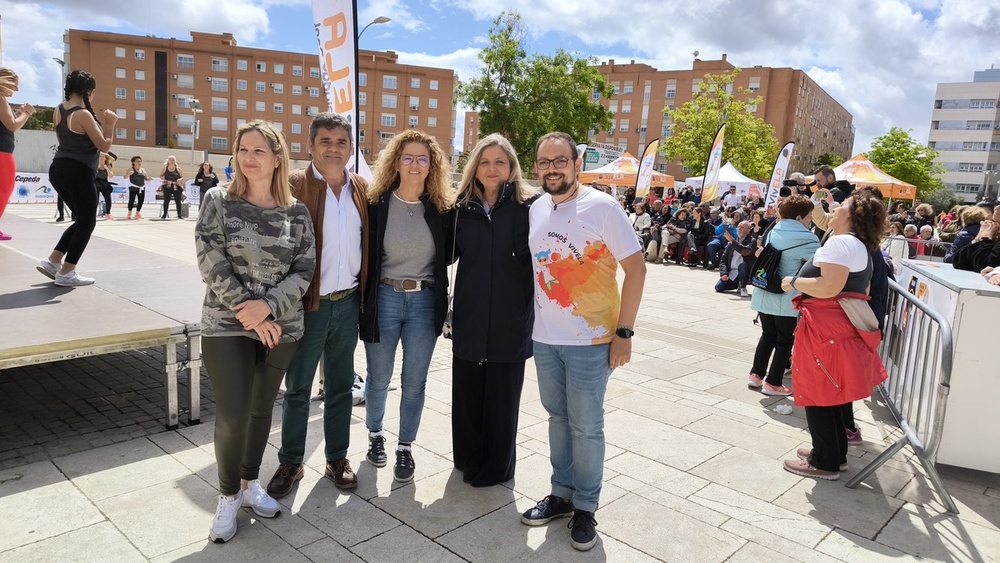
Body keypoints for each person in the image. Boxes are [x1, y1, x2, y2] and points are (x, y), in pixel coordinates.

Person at [520, 132, 646, 552]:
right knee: (557, 419)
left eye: (560, 160)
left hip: (593, 340)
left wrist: (624, 332)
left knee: (587, 426)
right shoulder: (536, 208)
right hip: (545, 338)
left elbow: (637, 270)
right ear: (536, 166)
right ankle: (562, 493)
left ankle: (586, 508)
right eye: (544, 162)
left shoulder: (604, 208)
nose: (552, 168)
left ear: (577, 163)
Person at [196, 119, 316, 543]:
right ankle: (228, 495)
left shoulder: (296, 212)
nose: (248, 157)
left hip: (282, 327)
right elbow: (210, 259)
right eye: (242, 149)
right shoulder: (219, 200)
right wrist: (251, 313)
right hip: (228, 325)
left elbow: (304, 269)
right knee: (232, 414)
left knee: (262, 410)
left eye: (258, 150)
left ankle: (250, 485)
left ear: (277, 158)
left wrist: (268, 308)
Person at [266, 113, 370, 498]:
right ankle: (291, 461)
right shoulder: (294, 185)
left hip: (347, 304)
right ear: (310, 146)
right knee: (298, 389)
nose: (333, 148)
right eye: (325, 141)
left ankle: (336, 457)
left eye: (341, 141)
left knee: (341, 387)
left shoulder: (359, 187)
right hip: (306, 305)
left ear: (351, 147)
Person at [360, 130, 453, 484]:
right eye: (408, 157)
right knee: (379, 377)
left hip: (425, 302)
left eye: (422, 158)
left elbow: (453, 252)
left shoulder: (442, 209)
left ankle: (405, 447)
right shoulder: (377, 203)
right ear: (395, 162)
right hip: (384, 297)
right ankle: (375, 435)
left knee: (415, 381)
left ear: (432, 166)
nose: (415, 164)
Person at [780, 194, 888, 480]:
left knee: (819, 392)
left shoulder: (841, 243)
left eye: (842, 205)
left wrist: (793, 282)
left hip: (825, 327)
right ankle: (833, 453)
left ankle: (824, 461)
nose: (835, 208)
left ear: (852, 215)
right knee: (830, 391)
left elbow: (828, 286)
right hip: (835, 327)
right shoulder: (856, 244)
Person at [450, 133, 536, 487]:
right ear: (475, 167)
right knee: (467, 395)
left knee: (502, 399)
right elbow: (443, 254)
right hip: (469, 315)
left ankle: (496, 468)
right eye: (485, 162)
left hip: (510, 319)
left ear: (512, 167)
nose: (492, 168)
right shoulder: (460, 208)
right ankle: (466, 459)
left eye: (500, 162)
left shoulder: (530, 208)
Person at [36, 70, 118, 287]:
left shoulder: (58, 110)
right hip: (78, 171)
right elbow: (104, 146)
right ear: (88, 92)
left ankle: (53, 261)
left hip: (59, 168)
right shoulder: (83, 114)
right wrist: (110, 123)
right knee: (87, 222)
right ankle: (67, 271)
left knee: (81, 220)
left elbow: (65, 140)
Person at [747, 195, 820, 396]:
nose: (810, 220)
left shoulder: (773, 230)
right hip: (787, 295)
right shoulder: (809, 238)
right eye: (809, 216)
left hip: (765, 291)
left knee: (767, 335)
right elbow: (817, 264)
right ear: (799, 217)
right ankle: (773, 383)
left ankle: (756, 375)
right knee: (785, 341)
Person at [0, 68, 35, 240]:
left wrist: (20, 115)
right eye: (15, 85)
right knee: (4, 189)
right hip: (2, 153)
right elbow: (12, 126)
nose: (17, 89)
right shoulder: (0, 100)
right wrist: (27, 113)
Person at [953, 202, 1000, 273]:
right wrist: (977, 239)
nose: (997, 208)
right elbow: (959, 262)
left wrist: (985, 239)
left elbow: (984, 267)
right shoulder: (993, 232)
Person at [716, 220, 756, 297]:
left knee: (742, 266)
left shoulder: (752, 241)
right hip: (732, 272)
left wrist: (732, 241)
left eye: (742, 227)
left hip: (745, 271)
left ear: (748, 230)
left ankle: (743, 287)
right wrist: (724, 273)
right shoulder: (731, 242)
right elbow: (723, 259)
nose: (739, 229)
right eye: (738, 227)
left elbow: (744, 251)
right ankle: (737, 283)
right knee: (718, 287)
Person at [159, 155, 185, 219]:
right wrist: (162, 177)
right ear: (168, 161)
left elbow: (182, 177)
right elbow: (161, 175)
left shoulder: (178, 169)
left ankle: (179, 214)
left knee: (178, 201)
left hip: (176, 186)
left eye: (173, 160)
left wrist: (180, 179)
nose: (172, 161)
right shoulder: (165, 168)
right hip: (167, 185)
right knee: (166, 200)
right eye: (170, 160)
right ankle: (164, 214)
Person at [96, 152, 115, 220]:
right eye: (100, 156)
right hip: (96, 183)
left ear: (105, 159)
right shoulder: (95, 164)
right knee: (95, 199)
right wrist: (97, 168)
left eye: (103, 157)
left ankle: (108, 213)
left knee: (108, 198)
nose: (101, 158)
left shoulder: (108, 165)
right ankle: (92, 213)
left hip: (104, 183)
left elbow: (111, 176)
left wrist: (107, 169)